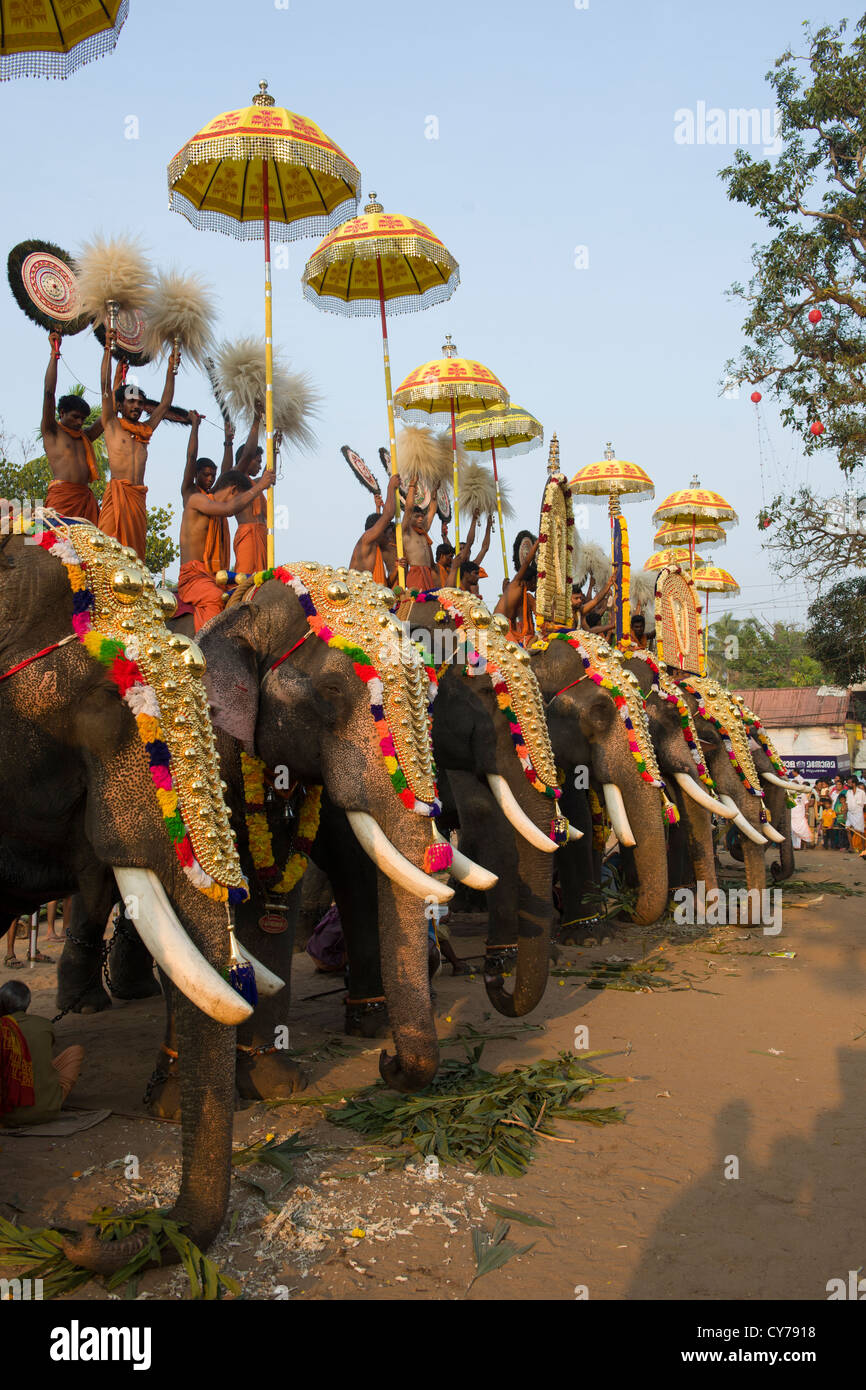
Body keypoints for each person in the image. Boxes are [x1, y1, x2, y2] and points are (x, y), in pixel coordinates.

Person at [99, 336, 179, 560]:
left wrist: (171, 368)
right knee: (107, 554)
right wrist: (108, 350)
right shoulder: (112, 425)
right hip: (117, 498)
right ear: (121, 404)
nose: (136, 406)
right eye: (131, 401)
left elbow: (164, 404)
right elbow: (105, 388)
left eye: (140, 403)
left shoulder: (146, 429)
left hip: (137, 499)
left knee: (134, 558)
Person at [178, 466, 275, 631]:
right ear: (233, 490)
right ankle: (208, 649)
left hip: (215, 576)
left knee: (243, 592)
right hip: (193, 577)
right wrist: (259, 487)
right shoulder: (197, 500)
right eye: (239, 500)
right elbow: (229, 509)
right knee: (215, 598)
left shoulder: (216, 514)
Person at [0, 979, 84, 1126]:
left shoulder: (3, 1028)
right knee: (76, 1051)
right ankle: (46, 1096)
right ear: (28, 1002)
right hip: (47, 1110)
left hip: (6, 1115)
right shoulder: (44, 1025)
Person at [41, 332, 104, 523]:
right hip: (62, 497)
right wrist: (54, 354)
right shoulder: (52, 431)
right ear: (61, 413)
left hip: (84, 499)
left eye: (83, 419)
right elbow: (49, 393)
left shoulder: (84, 436)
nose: (79, 423)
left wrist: (117, 376)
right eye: (75, 417)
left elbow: (108, 415)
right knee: (56, 548)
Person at [233, 402, 269, 576]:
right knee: (245, 580)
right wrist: (256, 419)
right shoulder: (236, 479)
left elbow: (269, 475)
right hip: (247, 535)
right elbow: (248, 452)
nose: (259, 464)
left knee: (262, 582)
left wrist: (275, 448)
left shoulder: (256, 483)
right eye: (257, 460)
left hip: (262, 536)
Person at [349, 473, 400, 584]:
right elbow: (389, 514)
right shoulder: (366, 539)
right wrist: (391, 486)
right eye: (386, 531)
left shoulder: (374, 547)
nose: (388, 536)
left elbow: (384, 585)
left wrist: (397, 569)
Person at [181, 410, 233, 508]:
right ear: (196, 473)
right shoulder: (189, 490)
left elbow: (226, 473)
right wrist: (195, 426)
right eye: (206, 475)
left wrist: (228, 441)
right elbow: (191, 457)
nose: (210, 479)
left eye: (213, 476)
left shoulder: (211, 495)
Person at [495, 532, 539, 644]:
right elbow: (526, 564)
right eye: (537, 581)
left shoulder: (525, 595)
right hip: (499, 629)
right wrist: (537, 545)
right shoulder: (517, 583)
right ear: (533, 580)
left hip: (509, 631)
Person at [401, 476, 440, 590]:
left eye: (422, 517)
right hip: (415, 573)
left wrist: (434, 492)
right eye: (417, 516)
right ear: (410, 518)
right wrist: (412, 485)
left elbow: (432, 511)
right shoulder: (406, 531)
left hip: (428, 573)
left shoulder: (423, 530)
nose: (420, 519)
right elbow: (408, 509)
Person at [844, 775, 866, 853]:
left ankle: (864, 848)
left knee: (861, 832)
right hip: (850, 813)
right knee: (848, 829)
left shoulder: (862, 792)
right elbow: (846, 804)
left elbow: (865, 804)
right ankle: (851, 847)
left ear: (853, 783)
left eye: (849, 782)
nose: (848, 784)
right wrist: (845, 814)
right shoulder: (848, 792)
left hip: (858, 814)